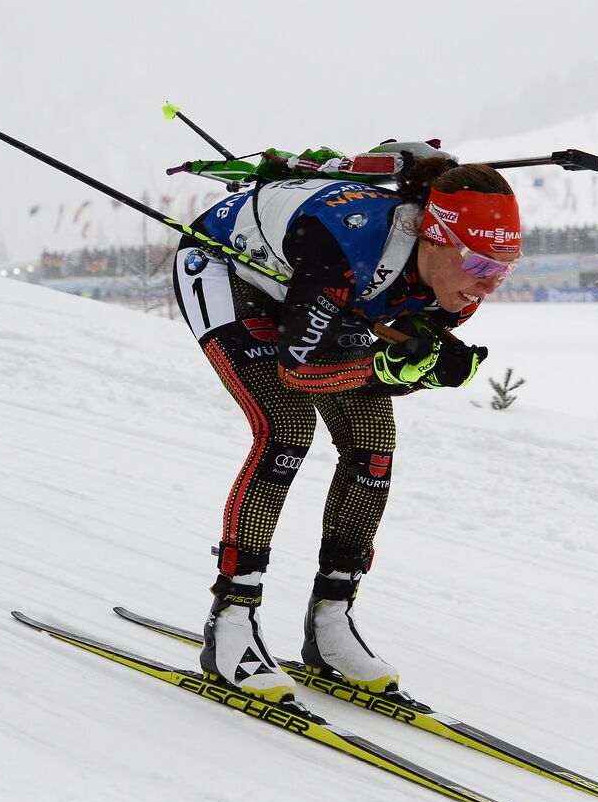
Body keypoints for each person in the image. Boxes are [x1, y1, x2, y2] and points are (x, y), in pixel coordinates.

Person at [171, 144, 520, 703]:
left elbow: (373, 353)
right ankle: (231, 621)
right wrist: (394, 366)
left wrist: (422, 367)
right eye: (479, 263)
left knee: (373, 445)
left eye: (504, 269)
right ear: (435, 238)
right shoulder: (351, 242)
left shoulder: (458, 287)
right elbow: (301, 370)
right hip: (229, 269)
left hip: (314, 289)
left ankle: (330, 619)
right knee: (284, 429)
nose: (489, 283)